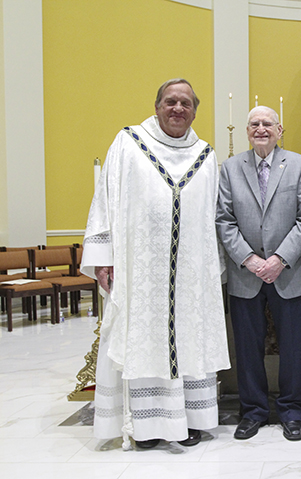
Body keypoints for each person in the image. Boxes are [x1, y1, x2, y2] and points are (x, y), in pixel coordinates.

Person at [82, 78, 230, 450]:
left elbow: (215, 216)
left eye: (185, 103)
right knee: (143, 340)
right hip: (139, 270)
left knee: (190, 339)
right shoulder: (129, 144)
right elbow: (105, 199)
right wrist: (104, 257)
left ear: (195, 111)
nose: (178, 108)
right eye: (170, 101)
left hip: (190, 276)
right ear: (157, 106)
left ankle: (191, 420)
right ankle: (146, 425)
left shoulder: (206, 154)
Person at [216, 106, 301, 442]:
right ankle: (253, 411)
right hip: (246, 274)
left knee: (293, 348)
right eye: (255, 124)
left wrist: (278, 259)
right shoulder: (230, 168)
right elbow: (224, 220)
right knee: (247, 348)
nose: (261, 129)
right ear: (247, 131)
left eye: (267, 124)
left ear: (280, 129)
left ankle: (291, 411)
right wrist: (249, 259)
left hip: (288, 273)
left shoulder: (300, 165)